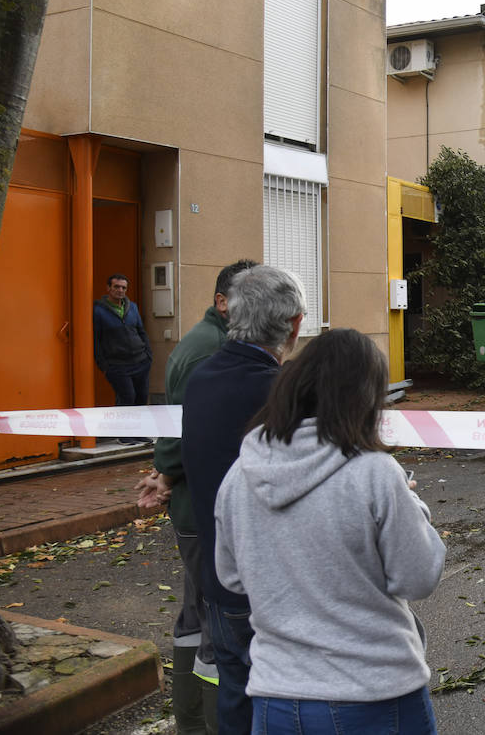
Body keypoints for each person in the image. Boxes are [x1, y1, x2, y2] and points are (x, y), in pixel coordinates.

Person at [215, 329, 445, 734]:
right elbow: (418, 576)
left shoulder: (240, 473)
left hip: (275, 699)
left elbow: (231, 577)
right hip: (374, 694)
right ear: (365, 398)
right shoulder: (375, 473)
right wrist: (414, 505)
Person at [136, 258, 257, 735]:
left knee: (194, 613)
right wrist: (165, 472)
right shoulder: (213, 350)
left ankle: (189, 720)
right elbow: (190, 428)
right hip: (204, 508)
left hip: (193, 503)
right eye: (247, 299)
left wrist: (165, 472)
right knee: (215, 626)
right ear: (222, 302)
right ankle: (207, 722)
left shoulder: (207, 341)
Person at [182, 265, 305, 734]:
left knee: (236, 695)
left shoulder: (202, 377)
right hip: (274, 584)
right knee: (285, 705)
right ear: (293, 325)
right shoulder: (282, 393)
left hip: (219, 576)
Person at [93, 272, 153, 407]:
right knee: (127, 398)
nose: (120, 290)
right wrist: (104, 366)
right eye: (116, 287)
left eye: (123, 288)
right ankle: (122, 428)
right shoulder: (98, 311)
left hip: (141, 362)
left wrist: (148, 355)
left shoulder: (133, 307)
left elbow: (141, 332)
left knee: (141, 399)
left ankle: (140, 428)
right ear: (108, 288)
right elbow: (96, 340)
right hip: (117, 366)